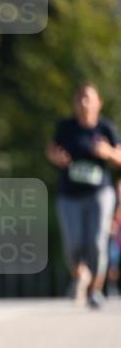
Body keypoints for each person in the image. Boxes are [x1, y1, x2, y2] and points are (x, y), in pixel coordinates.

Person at [47, 83, 121, 307]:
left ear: (99, 102)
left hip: (100, 193)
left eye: (89, 98)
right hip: (69, 194)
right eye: (80, 98)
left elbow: (119, 157)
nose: (84, 103)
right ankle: (81, 276)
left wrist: (107, 152)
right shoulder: (66, 128)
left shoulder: (106, 128)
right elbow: (51, 149)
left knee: (97, 241)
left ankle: (95, 290)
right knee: (73, 243)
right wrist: (55, 157)